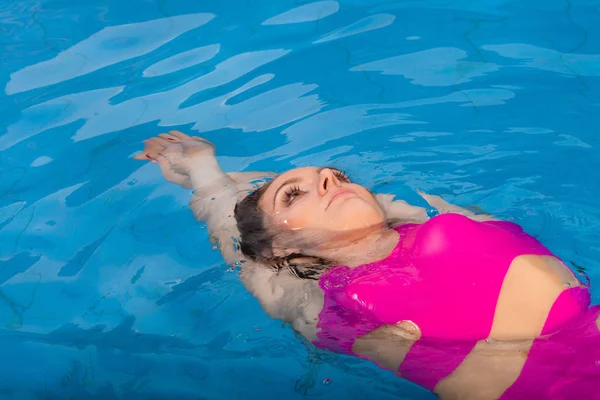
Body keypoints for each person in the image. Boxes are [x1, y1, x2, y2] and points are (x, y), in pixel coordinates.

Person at [135, 131, 600, 400]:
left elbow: (361, 209)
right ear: (279, 248)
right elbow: (245, 249)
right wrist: (205, 172)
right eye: (294, 195)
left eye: (335, 177)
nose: (331, 182)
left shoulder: (431, 220)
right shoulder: (331, 310)